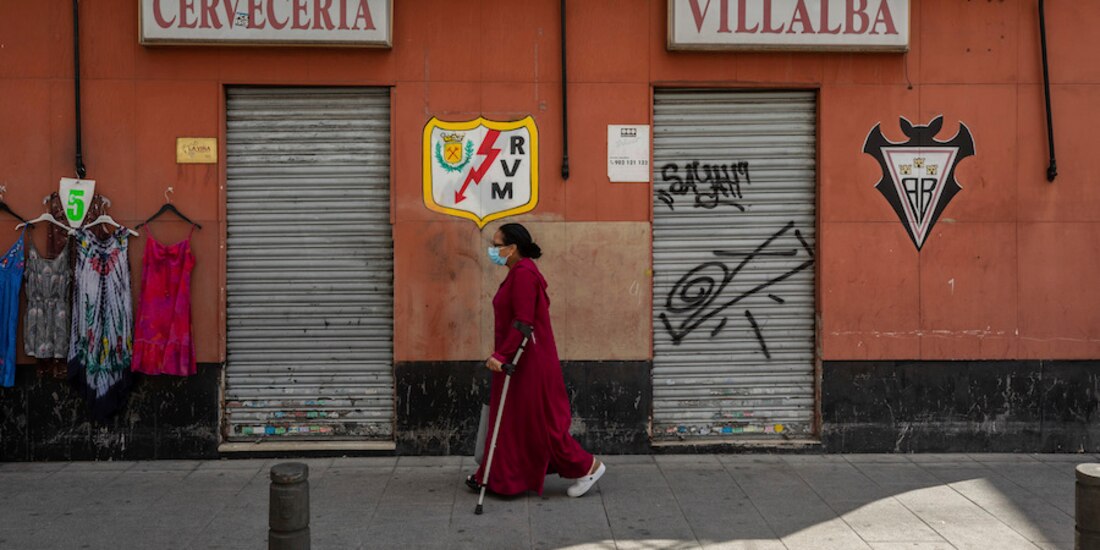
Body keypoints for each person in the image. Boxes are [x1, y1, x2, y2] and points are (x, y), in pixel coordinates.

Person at [466, 223, 606, 498]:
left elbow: (523, 322)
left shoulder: (524, 275)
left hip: (528, 362)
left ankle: (588, 466)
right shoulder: (519, 272)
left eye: (497, 245)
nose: (492, 250)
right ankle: (497, 476)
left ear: (512, 248)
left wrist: (501, 355)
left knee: (539, 423)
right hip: (521, 359)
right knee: (513, 420)